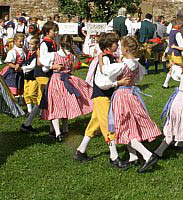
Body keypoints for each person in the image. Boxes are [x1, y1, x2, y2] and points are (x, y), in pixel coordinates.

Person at [73, 32, 131, 168]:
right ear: (109, 45)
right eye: (116, 43)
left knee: (95, 123)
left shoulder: (109, 57)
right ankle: (114, 156)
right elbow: (102, 82)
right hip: (102, 95)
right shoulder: (105, 58)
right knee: (108, 126)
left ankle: (80, 151)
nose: (117, 45)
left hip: (105, 95)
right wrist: (118, 83)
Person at [107, 35, 162, 173]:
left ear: (125, 50)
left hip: (121, 96)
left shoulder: (121, 65)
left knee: (124, 128)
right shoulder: (137, 65)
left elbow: (107, 74)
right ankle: (133, 157)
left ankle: (147, 155)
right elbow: (137, 78)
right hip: (132, 95)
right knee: (130, 125)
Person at [41, 34, 93, 141]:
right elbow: (72, 69)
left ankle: (58, 133)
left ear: (60, 43)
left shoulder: (54, 55)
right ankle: (65, 129)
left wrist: (52, 67)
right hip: (68, 81)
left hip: (56, 82)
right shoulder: (72, 56)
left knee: (55, 106)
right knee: (65, 105)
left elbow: (44, 69)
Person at [19, 22, 58, 133]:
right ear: (47, 32)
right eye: (53, 31)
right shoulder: (45, 44)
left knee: (43, 100)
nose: (55, 33)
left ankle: (27, 124)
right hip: (42, 74)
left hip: (47, 73)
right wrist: (52, 66)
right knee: (48, 99)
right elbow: (40, 61)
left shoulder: (52, 43)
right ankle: (53, 129)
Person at [162, 17, 183, 89]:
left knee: (172, 68)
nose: (182, 27)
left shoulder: (171, 31)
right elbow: (182, 45)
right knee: (182, 67)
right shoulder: (177, 33)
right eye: (182, 25)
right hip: (176, 53)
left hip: (170, 52)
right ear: (179, 24)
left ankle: (165, 84)